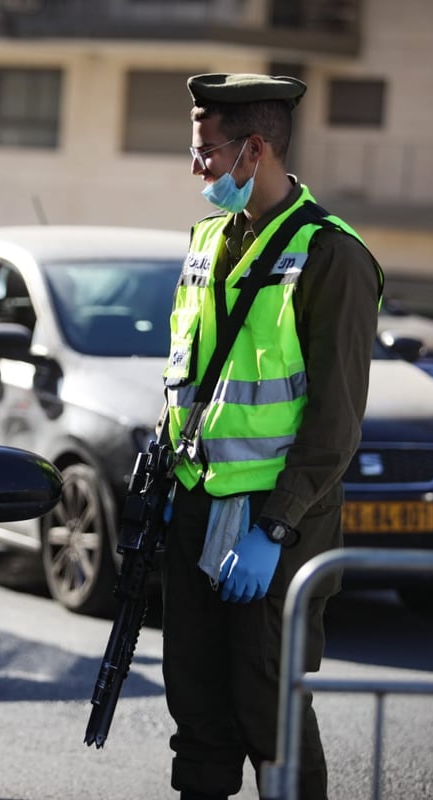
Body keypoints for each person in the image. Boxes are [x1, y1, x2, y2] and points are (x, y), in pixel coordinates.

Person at [159, 73, 384, 800]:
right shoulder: (206, 240)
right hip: (195, 501)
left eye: (209, 154)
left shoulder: (332, 256)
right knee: (197, 708)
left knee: (268, 710)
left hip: (272, 521)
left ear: (256, 150)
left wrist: (277, 526)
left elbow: (335, 423)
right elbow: (191, 377)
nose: (198, 170)